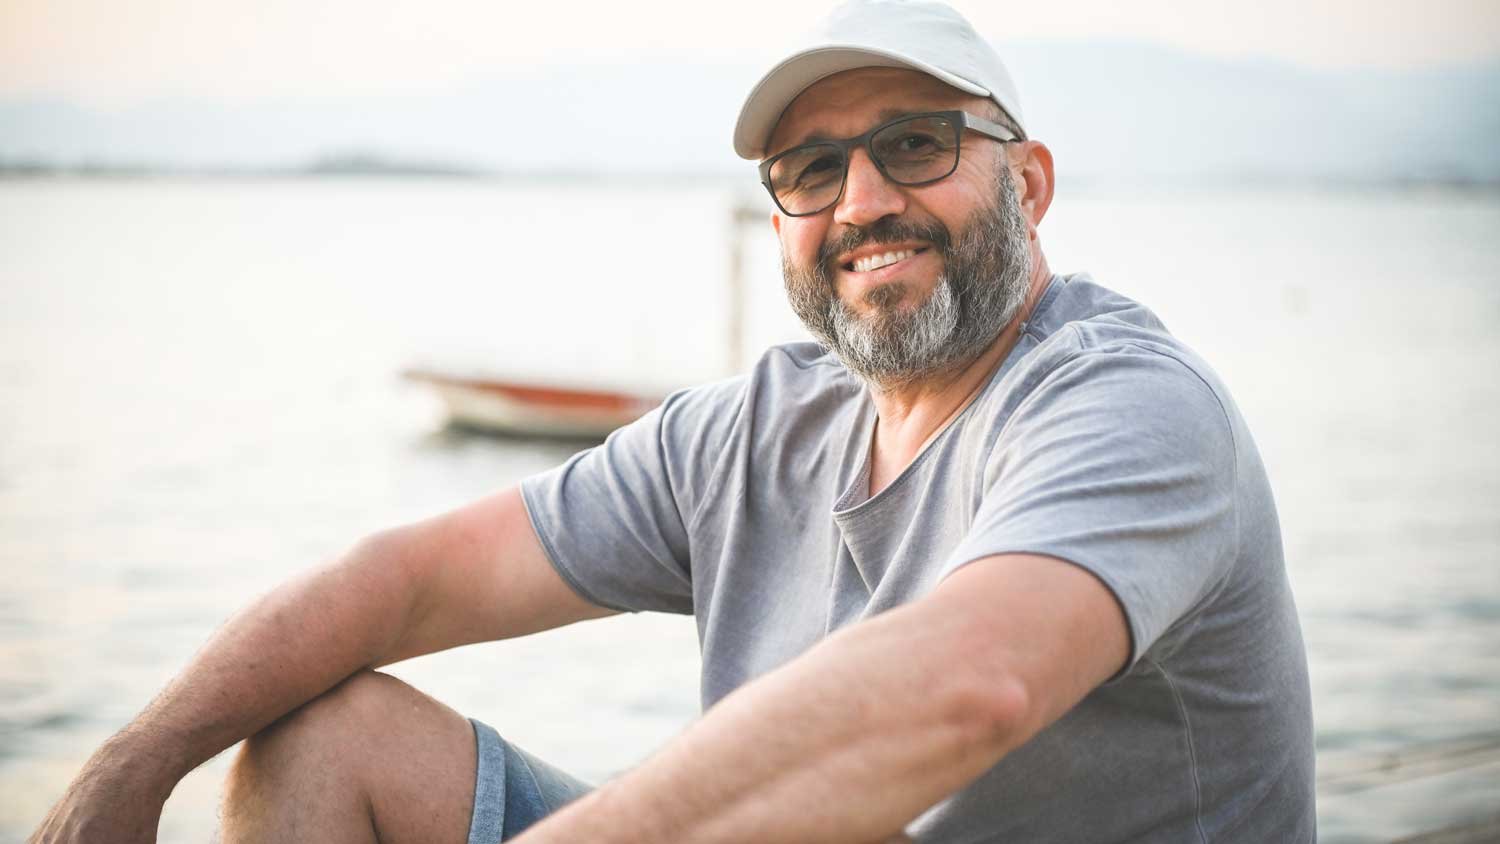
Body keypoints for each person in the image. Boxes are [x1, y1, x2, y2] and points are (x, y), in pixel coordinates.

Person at [30, 0, 1316, 841]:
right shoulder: (762, 426)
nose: (864, 197)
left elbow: (971, 681)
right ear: (783, 225)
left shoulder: (1125, 404)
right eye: (814, 170)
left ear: (1026, 182)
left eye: (917, 144)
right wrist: (133, 765)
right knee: (320, 732)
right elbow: (410, 578)